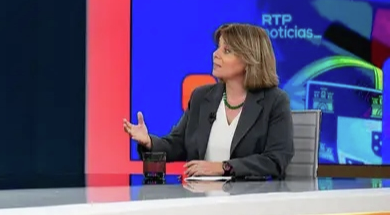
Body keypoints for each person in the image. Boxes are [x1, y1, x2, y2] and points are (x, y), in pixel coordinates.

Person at [123, 22, 295, 179]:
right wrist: (149, 142)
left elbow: (276, 160)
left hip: (250, 198)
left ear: (249, 60)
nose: (215, 54)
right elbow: (177, 144)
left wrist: (222, 167)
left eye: (226, 51)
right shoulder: (201, 97)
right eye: (218, 48)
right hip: (200, 196)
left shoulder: (275, 101)